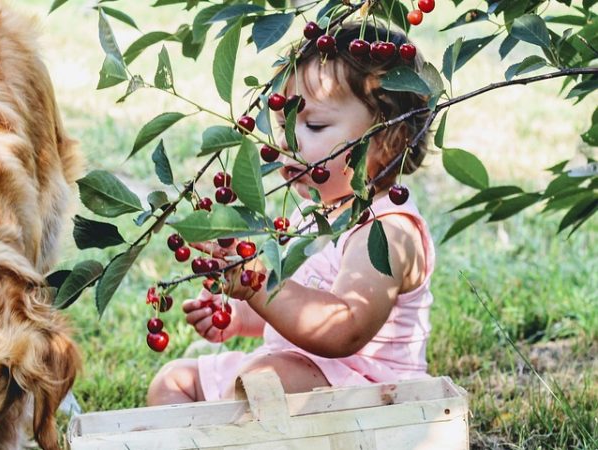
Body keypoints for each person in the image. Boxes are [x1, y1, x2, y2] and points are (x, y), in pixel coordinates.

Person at [147, 22, 436, 405]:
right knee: (174, 380)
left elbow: (343, 328)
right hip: (292, 368)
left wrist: (258, 286)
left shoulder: (388, 231)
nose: (287, 142)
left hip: (367, 393)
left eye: (313, 124)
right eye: (285, 123)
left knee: (261, 383)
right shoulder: (314, 213)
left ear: (387, 139)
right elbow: (292, 310)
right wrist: (239, 314)